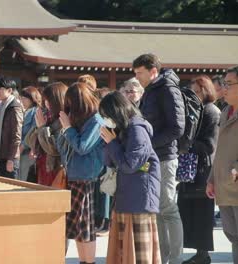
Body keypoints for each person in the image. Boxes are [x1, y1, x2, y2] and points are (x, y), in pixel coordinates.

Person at [133, 53, 185, 264]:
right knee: (157, 210)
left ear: (153, 71)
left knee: (168, 209)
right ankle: (163, 258)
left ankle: (175, 258)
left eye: (140, 73)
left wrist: (149, 145)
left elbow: (177, 128)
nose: (137, 77)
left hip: (164, 156)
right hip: (154, 157)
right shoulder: (151, 91)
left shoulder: (167, 89)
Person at [99, 91, 161, 264]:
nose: (105, 119)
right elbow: (109, 162)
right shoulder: (124, 129)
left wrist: (112, 143)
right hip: (127, 195)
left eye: (106, 115)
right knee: (124, 248)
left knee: (139, 252)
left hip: (139, 197)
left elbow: (129, 165)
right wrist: (109, 140)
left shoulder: (137, 129)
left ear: (116, 111)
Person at [56, 82, 105, 264]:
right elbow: (63, 148)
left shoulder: (96, 120)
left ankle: (88, 261)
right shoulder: (81, 120)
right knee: (76, 227)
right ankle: (83, 261)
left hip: (86, 177)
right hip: (75, 175)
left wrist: (68, 128)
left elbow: (82, 147)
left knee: (86, 226)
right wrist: (65, 129)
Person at [206, 65, 238, 264]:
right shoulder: (225, 112)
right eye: (224, 84)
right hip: (224, 184)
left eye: (229, 84)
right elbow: (220, 149)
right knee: (234, 236)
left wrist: (237, 170)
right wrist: (211, 178)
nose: (224, 88)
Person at [177, 75, 220, 264]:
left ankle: (203, 254)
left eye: (197, 91)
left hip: (203, 169)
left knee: (202, 213)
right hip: (190, 167)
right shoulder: (195, 110)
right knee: (188, 212)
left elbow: (210, 145)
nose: (193, 95)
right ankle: (199, 253)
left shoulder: (212, 111)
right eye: (192, 91)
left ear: (206, 91)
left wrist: (186, 144)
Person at [26, 82, 67, 186]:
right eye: (45, 100)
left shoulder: (64, 119)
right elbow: (29, 141)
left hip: (56, 168)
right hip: (42, 165)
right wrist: (38, 127)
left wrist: (42, 128)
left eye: (49, 100)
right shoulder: (47, 115)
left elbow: (54, 149)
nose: (46, 103)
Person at [0, 77, 23, 178]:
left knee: (10, 188)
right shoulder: (2, 107)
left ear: (9, 90)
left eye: (0, 89)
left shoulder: (14, 108)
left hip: (9, 157)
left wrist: (11, 159)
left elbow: (17, 135)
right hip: (2, 155)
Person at [19, 86, 42, 181]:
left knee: (25, 179)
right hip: (21, 150)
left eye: (24, 98)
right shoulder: (24, 111)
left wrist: (22, 146)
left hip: (28, 151)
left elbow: (33, 132)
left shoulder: (36, 111)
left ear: (32, 98)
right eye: (21, 98)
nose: (22, 100)